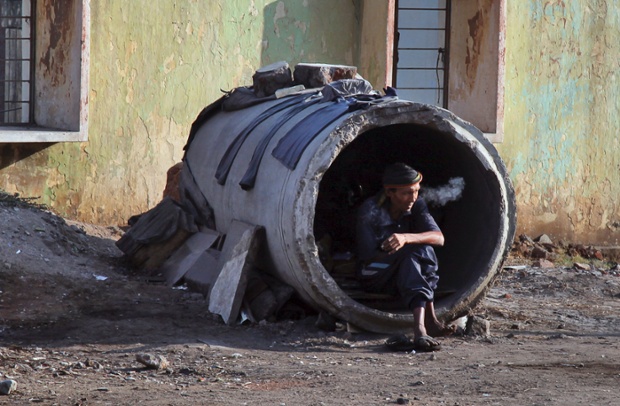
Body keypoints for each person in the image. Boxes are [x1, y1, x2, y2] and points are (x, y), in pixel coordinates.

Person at [355, 162, 449, 351]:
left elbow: (439, 238)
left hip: (405, 272)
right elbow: (367, 257)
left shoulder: (416, 205)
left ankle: (426, 321)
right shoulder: (369, 211)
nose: (412, 198)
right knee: (410, 255)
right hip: (374, 273)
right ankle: (421, 326)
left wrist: (406, 238)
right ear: (389, 193)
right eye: (406, 193)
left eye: (416, 191)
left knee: (422, 250)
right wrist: (391, 250)